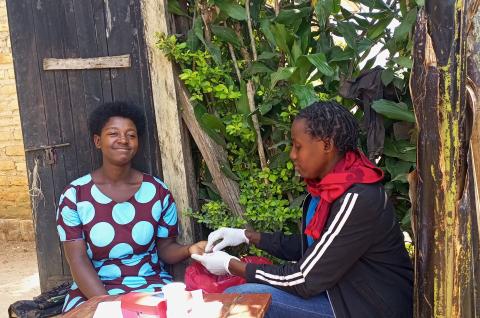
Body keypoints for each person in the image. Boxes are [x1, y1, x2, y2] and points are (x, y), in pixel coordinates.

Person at [192, 101, 413, 318]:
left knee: (241, 299)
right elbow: (314, 249)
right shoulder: (329, 189)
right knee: (244, 296)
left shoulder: (357, 198)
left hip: (368, 308)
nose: (292, 155)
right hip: (339, 295)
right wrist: (246, 236)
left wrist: (230, 265)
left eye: (298, 146)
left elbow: (305, 279)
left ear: (327, 145)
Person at [56, 101, 206, 313]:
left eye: (131, 135)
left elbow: (165, 249)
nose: (123, 140)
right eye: (113, 134)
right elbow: (77, 259)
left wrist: (189, 249)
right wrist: (109, 305)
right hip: (93, 289)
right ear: (98, 141)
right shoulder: (74, 196)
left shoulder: (157, 191)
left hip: (151, 285)